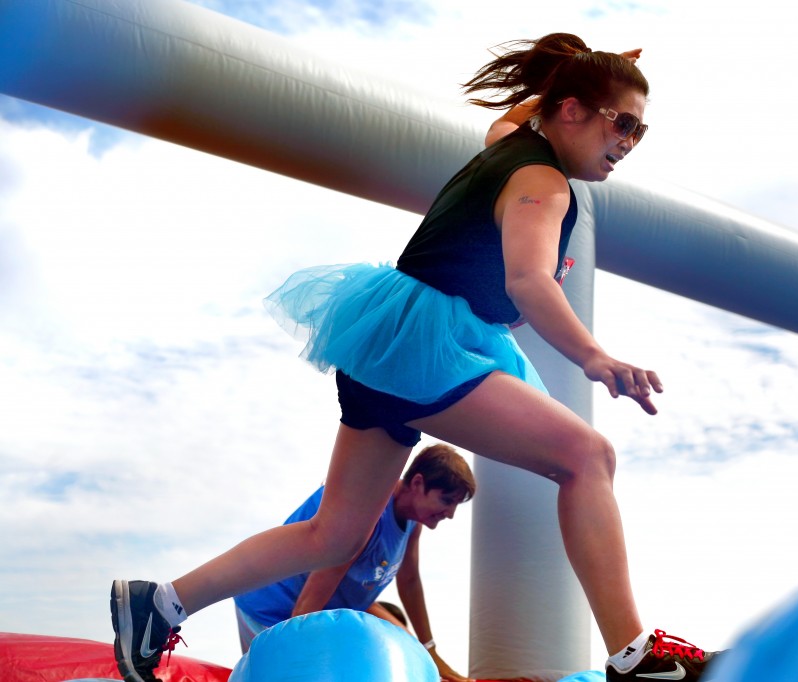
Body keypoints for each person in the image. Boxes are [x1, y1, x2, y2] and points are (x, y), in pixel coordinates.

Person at [110, 33, 715, 682]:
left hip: (390, 338)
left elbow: (514, 116)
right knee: (587, 456)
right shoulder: (544, 182)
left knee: (335, 537)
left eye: (639, 132)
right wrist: (595, 357)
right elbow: (529, 282)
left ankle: (160, 602)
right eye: (621, 123)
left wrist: (587, 75)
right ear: (571, 111)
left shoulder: (511, 143)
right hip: (432, 341)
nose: (627, 142)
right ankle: (634, 655)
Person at [232, 444, 474, 682]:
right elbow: (306, 608)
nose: (450, 513)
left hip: (326, 603)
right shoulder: (364, 512)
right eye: (446, 500)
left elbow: (410, 583)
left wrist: (429, 653)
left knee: (405, 644)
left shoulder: (413, 524)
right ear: (418, 483)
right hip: (270, 606)